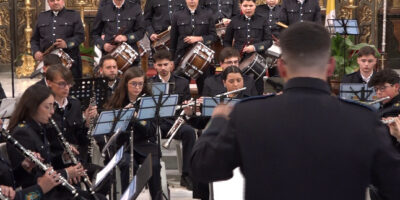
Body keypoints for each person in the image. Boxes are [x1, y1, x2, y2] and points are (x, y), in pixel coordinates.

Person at [191, 22, 400, 200]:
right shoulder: (362, 119)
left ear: (281, 67)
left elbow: (203, 167)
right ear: (330, 67)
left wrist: (217, 121)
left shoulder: (248, 115)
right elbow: (394, 185)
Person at [6, 84, 87, 200]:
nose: (53, 111)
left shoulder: (39, 127)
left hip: (51, 191)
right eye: (47, 107)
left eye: (52, 106)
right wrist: (66, 173)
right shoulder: (22, 133)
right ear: (33, 107)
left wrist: (63, 158)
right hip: (43, 195)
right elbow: (33, 180)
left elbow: (47, 164)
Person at [103, 67, 163, 200]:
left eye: (140, 84)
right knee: (128, 165)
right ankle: (127, 197)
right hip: (123, 145)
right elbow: (109, 130)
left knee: (154, 164)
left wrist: (137, 118)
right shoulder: (116, 101)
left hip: (144, 144)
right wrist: (122, 116)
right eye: (134, 84)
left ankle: (157, 197)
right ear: (126, 84)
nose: (137, 87)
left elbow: (150, 131)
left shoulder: (148, 102)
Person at [148, 50, 195, 190]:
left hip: (174, 122)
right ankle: (154, 174)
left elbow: (185, 108)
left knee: (190, 132)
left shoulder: (182, 82)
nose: (163, 68)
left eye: (165, 64)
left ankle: (186, 175)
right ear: (155, 66)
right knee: (148, 133)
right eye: (159, 65)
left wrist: (188, 111)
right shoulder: (149, 83)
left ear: (171, 65)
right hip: (156, 122)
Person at [169, 0, 217, 94]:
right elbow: (173, 39)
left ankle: (203, 107)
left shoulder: (208, 13)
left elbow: (213, 37)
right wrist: (171, 59)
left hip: (202, 58)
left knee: (205, 90)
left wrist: (199, 38)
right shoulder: (177, 14)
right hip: (182, 56)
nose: (192, 0)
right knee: (180, 89)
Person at [31, 0, 84, 79]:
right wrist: (36, 52)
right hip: (49, 63)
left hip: (69, 63)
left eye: (58, 0)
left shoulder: (74, 15)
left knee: (70, 89)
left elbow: (80, 37)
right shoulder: (42, 16)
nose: (55, 2)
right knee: (50, 89)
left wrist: (67, 44)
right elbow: (34, 40)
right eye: (52, 0)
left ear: (63, 1)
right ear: (48, 2)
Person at [91, 0, 145, 67]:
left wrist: (126, 37)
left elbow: (141, 31)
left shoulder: (135, 7)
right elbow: (95, 34)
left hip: (130, 57)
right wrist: (103, 45)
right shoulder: (103, 8)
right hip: (109, 56)